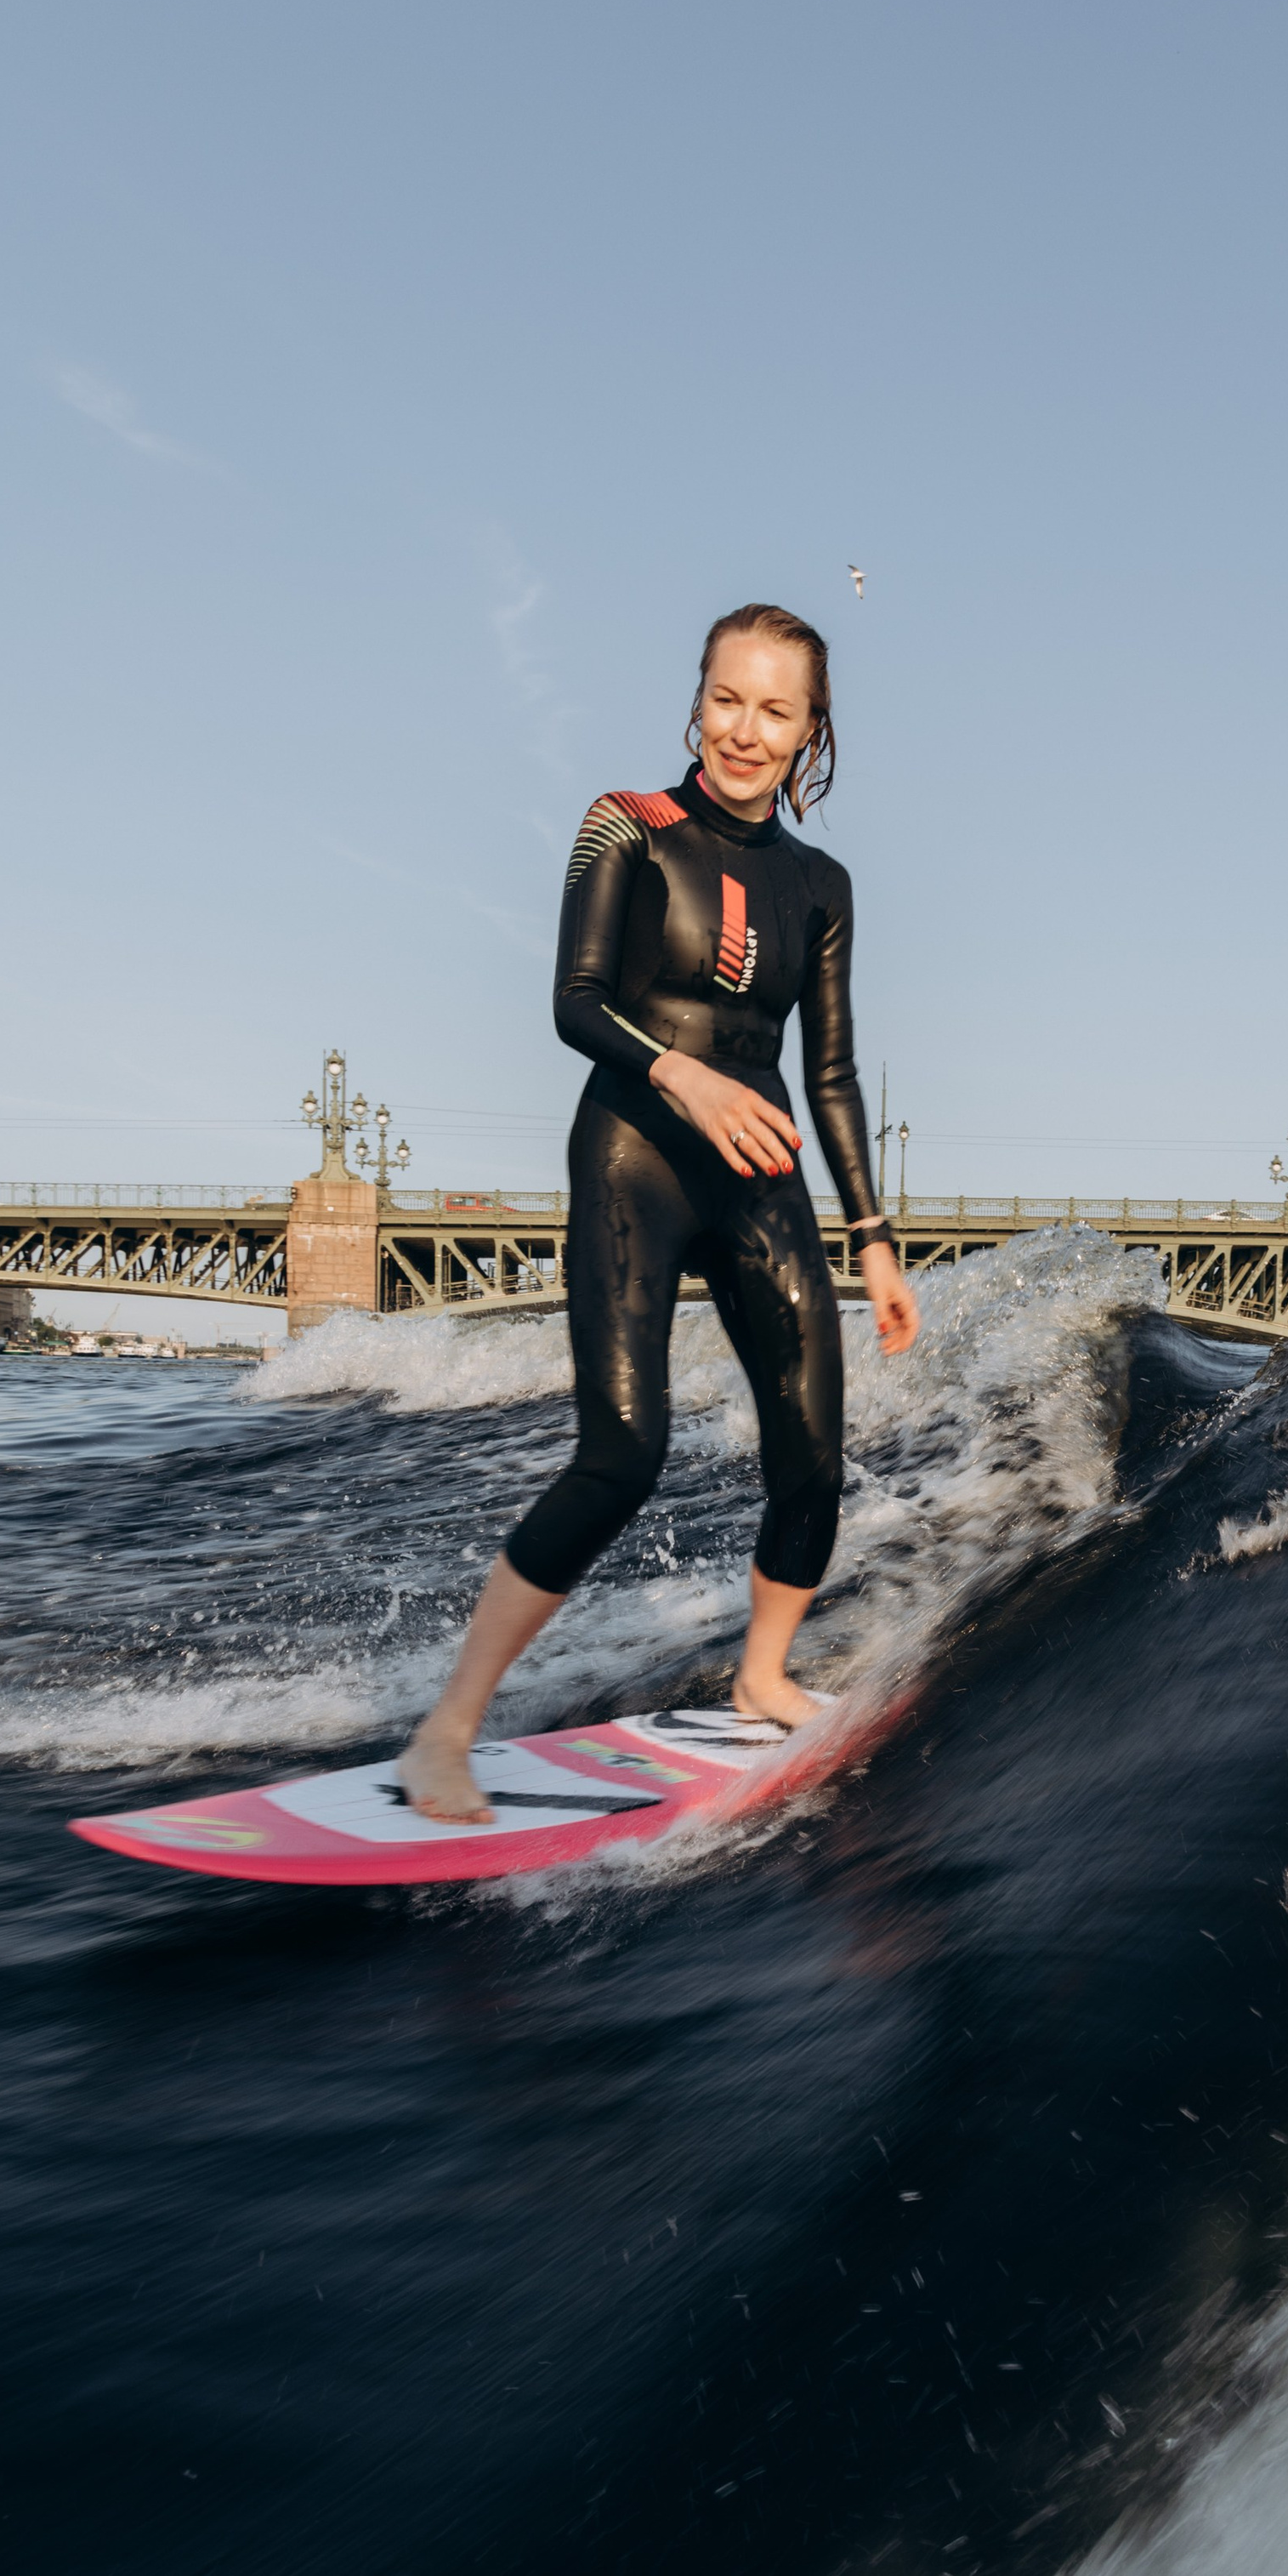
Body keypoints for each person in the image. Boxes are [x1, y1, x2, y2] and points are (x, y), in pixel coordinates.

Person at [398, 603, 917, 1825]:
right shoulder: (624, 826)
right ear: (699, 698)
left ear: (810, 731)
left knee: (812, 1456)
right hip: (636, 1152)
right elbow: (576, 1002)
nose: (744, 729)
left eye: (775, 710)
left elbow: (832, 1071)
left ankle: (762, 1673)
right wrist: (681, 1073)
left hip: (760, 1164)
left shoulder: (821, 885)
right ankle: (447, 1729)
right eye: (726, 698)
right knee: (622, 1457)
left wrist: (875, 1237)